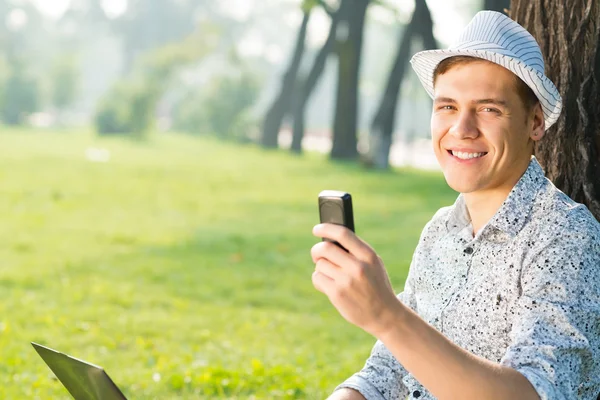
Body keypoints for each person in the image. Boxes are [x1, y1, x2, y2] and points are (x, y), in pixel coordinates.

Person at [310, 10, 600, 400]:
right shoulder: (440, 230)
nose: (461, 130)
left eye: (488, 109)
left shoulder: (567, 237)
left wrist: (387, 316)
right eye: (447, 106)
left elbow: (534, 393)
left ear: (535, 123)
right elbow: (389, 370)